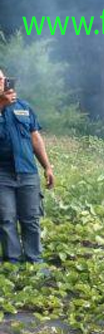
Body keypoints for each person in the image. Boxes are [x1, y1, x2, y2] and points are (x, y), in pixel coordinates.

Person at [0, 69, 55, 265]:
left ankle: (35, 261)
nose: (2, 82)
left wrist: (47, 166)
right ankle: (12, 262)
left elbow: (35, 137)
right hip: (2, 175)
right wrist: (1, 105)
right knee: (6, 219)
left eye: (3, 79)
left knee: (30, 218)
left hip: (27, 172)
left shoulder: (24, 107)